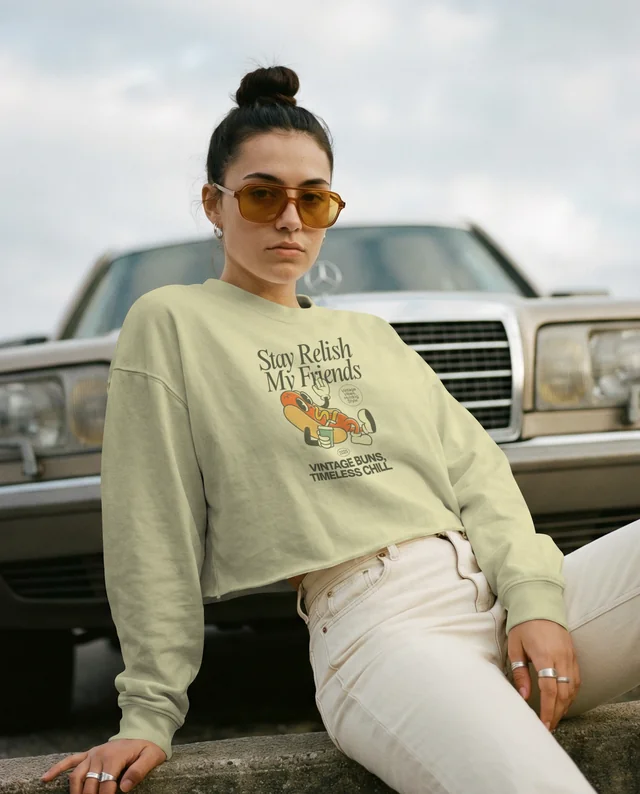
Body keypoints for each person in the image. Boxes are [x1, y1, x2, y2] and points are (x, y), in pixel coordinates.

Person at [41, 64, 639, 794]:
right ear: (214, 203)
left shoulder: (372, 336)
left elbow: (481, 478)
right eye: (263, 195)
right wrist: (148, 715)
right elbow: (149, 525)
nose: (290, 219)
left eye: (313, 199)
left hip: (498, 593)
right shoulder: (172, 322)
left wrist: (538, 604)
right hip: (380, 632)